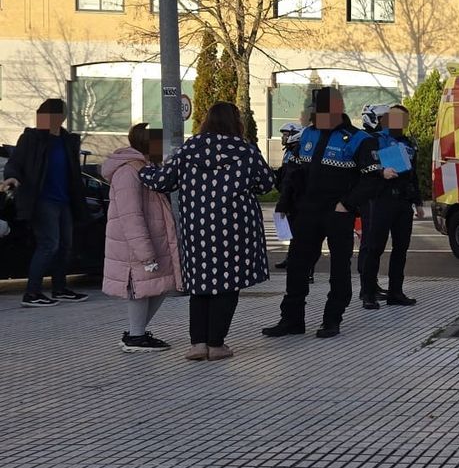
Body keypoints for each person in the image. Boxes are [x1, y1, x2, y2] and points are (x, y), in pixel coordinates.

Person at [138, 103, 274, 360]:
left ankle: (197, 344)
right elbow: (267, 183)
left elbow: (162, 181)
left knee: (200, 284)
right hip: (237, 228)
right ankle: (217, 344)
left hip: (197, 228)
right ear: (236, 122)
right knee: (228, 284)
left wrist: (141, 168)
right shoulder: (244, 149)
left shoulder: (189, 148)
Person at [263, 87, 384, 339]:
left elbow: (371, 179)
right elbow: (293, 173)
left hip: (338, 214)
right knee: (297, 266)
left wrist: (348, 204)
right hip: (307, 213)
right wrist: (284, 203)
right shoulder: (308, 134)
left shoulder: (359, 139)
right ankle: (292, 320)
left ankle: (332, 319)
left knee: (339, 268)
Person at [102, 123, 184, 352]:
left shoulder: (145, 168)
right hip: (137, 247)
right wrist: (145, 254)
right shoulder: (129, 171)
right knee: (139, 289)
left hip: (151, 241)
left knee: (159, 286)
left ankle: (135, 332)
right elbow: (131, 217)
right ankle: (136, 336)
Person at [1, 98, 91, 307]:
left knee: (65, 245)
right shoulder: (32, 139)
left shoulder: (68, 141)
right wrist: (12, 178)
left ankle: (59, 288)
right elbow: (15, 163)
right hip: (42, 200)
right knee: (49, 244)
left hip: (64, 200)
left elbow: (74, 173)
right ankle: (32, 293)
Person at [358, 104, 422, 309]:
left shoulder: (409, 143)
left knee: (400, 249)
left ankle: (396, 292)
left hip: (403, 203)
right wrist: (381, 172)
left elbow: (414, 175)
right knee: (374, 248)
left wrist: (418, 202)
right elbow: (364, 167)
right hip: (381, 200)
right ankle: (368, 293)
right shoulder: (373, 141)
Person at [273, 122, 304, 271]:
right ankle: (290, 258)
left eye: (286, 134)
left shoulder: (298, 150)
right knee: (292, 232)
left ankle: (304, 268)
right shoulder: (288, 151)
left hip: (297, 200)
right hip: (289, 198)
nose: (283, 138)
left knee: (299, 234)